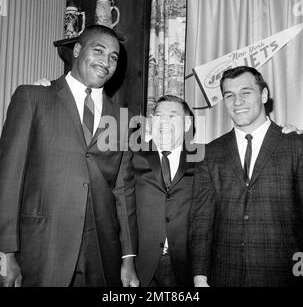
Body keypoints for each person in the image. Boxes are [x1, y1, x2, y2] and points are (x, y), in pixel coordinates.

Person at [0, 25, 139, 287]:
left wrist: (128, 259)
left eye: (113, 57)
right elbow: (8, 179)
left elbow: (124, 190)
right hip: (42, 248)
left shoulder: (123, 119)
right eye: (98, 50)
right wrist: (6, 254)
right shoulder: (33, 97)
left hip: (102, 253)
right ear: (76, 50)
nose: (106, 61)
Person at [190, 66, 303, 287]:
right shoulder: (209, 153)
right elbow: (202, 222)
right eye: (229, 96)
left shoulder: (296, 145)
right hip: (224, 275)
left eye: (246, 92)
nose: (237, 101)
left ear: (263, 95)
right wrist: (199, 278)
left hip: (284, 275)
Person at [133, 95, 202, 287]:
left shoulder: (205, 158)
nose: (163, 121)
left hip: (187, 268)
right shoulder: (131, 155)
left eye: (172, 116)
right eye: (158, 116)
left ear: (187, 123)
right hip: (140, 266)